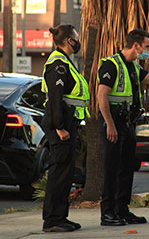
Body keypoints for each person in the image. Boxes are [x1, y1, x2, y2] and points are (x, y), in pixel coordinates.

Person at [97, 29, 149, 226]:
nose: (148, 51)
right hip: (113, 122)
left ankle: (122, 210)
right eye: (147, 47)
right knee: (111, 169)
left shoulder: (134, 66)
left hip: (127, 123)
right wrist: (109, 125)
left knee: (126, 168)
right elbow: (102, 96)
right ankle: (107, 213)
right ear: (136, 46)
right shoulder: (111, 64)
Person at [41, 24, 89, 232]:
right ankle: (52, 220)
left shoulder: (66, 62)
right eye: (77, 37)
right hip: (60, 127)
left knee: (65, 173)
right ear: (70, 40)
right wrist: (59, 127)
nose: (79, 41)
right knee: (59, 173)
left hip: (69, 125)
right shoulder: (58, 65)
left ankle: (61, 217)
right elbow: (55, 99)